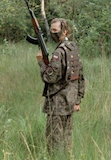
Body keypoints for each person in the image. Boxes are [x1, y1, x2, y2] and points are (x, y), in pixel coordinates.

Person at [36, 17, 85, 152]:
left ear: (65, 31)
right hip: (70, 101)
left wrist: (41, 62)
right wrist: (77, 100)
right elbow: (80, 77)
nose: (53, 33)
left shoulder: (59, 52)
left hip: (58, 104)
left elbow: (49, 77)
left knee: (54, 142)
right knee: (67, 141)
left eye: (56, 31)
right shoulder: (73, 48)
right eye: (52, 30)